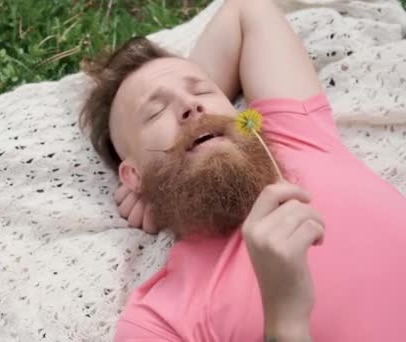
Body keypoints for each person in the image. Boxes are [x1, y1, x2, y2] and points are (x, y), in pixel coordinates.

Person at [79, 0, 406, 341]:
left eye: (203, 90)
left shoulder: (293, 135)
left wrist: (165, 176)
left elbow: (249, 10)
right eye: (156, 111)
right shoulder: (159, 320)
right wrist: (285, 319)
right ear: (132, 176)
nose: (191, 105)